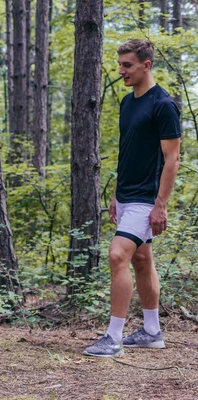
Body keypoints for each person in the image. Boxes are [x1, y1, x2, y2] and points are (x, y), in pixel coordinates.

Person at [84, 39, 181, 357]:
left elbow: (172, 159)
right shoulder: (127, 103)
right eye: (120, 64)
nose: (121, 70)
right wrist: (115, 195)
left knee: (117, 256)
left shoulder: (163, 105)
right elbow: (128, 151)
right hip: (126, 195)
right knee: (141, 259)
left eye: (127, 64)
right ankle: (152, 332)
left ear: (146, 65)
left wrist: (161, 205)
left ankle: (113, 338)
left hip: (146, 198)